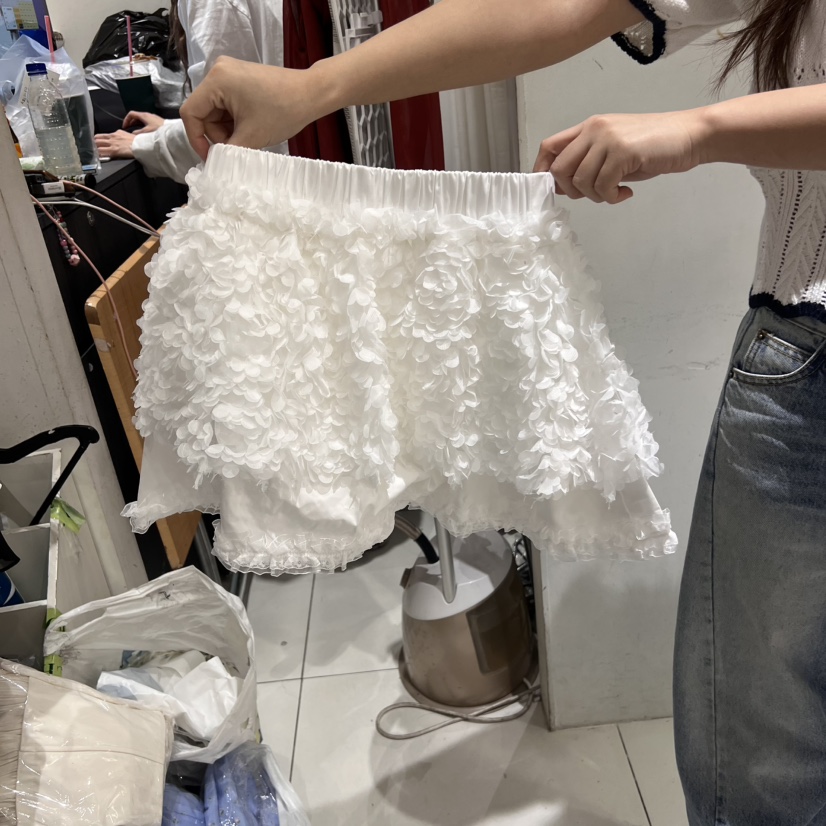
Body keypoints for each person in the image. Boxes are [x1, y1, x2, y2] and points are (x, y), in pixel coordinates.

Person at [178, 0, 826, 823]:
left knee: (762, 761)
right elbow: (559, 4)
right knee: (767, 753)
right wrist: (312, 87)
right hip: (801, 352)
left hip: (802, 366)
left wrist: (695, 130)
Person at [94, 0, 285, 183]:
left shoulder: (212, 5)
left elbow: (223, 142)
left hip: (272, 182)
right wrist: (168, 127)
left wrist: (145, 145)